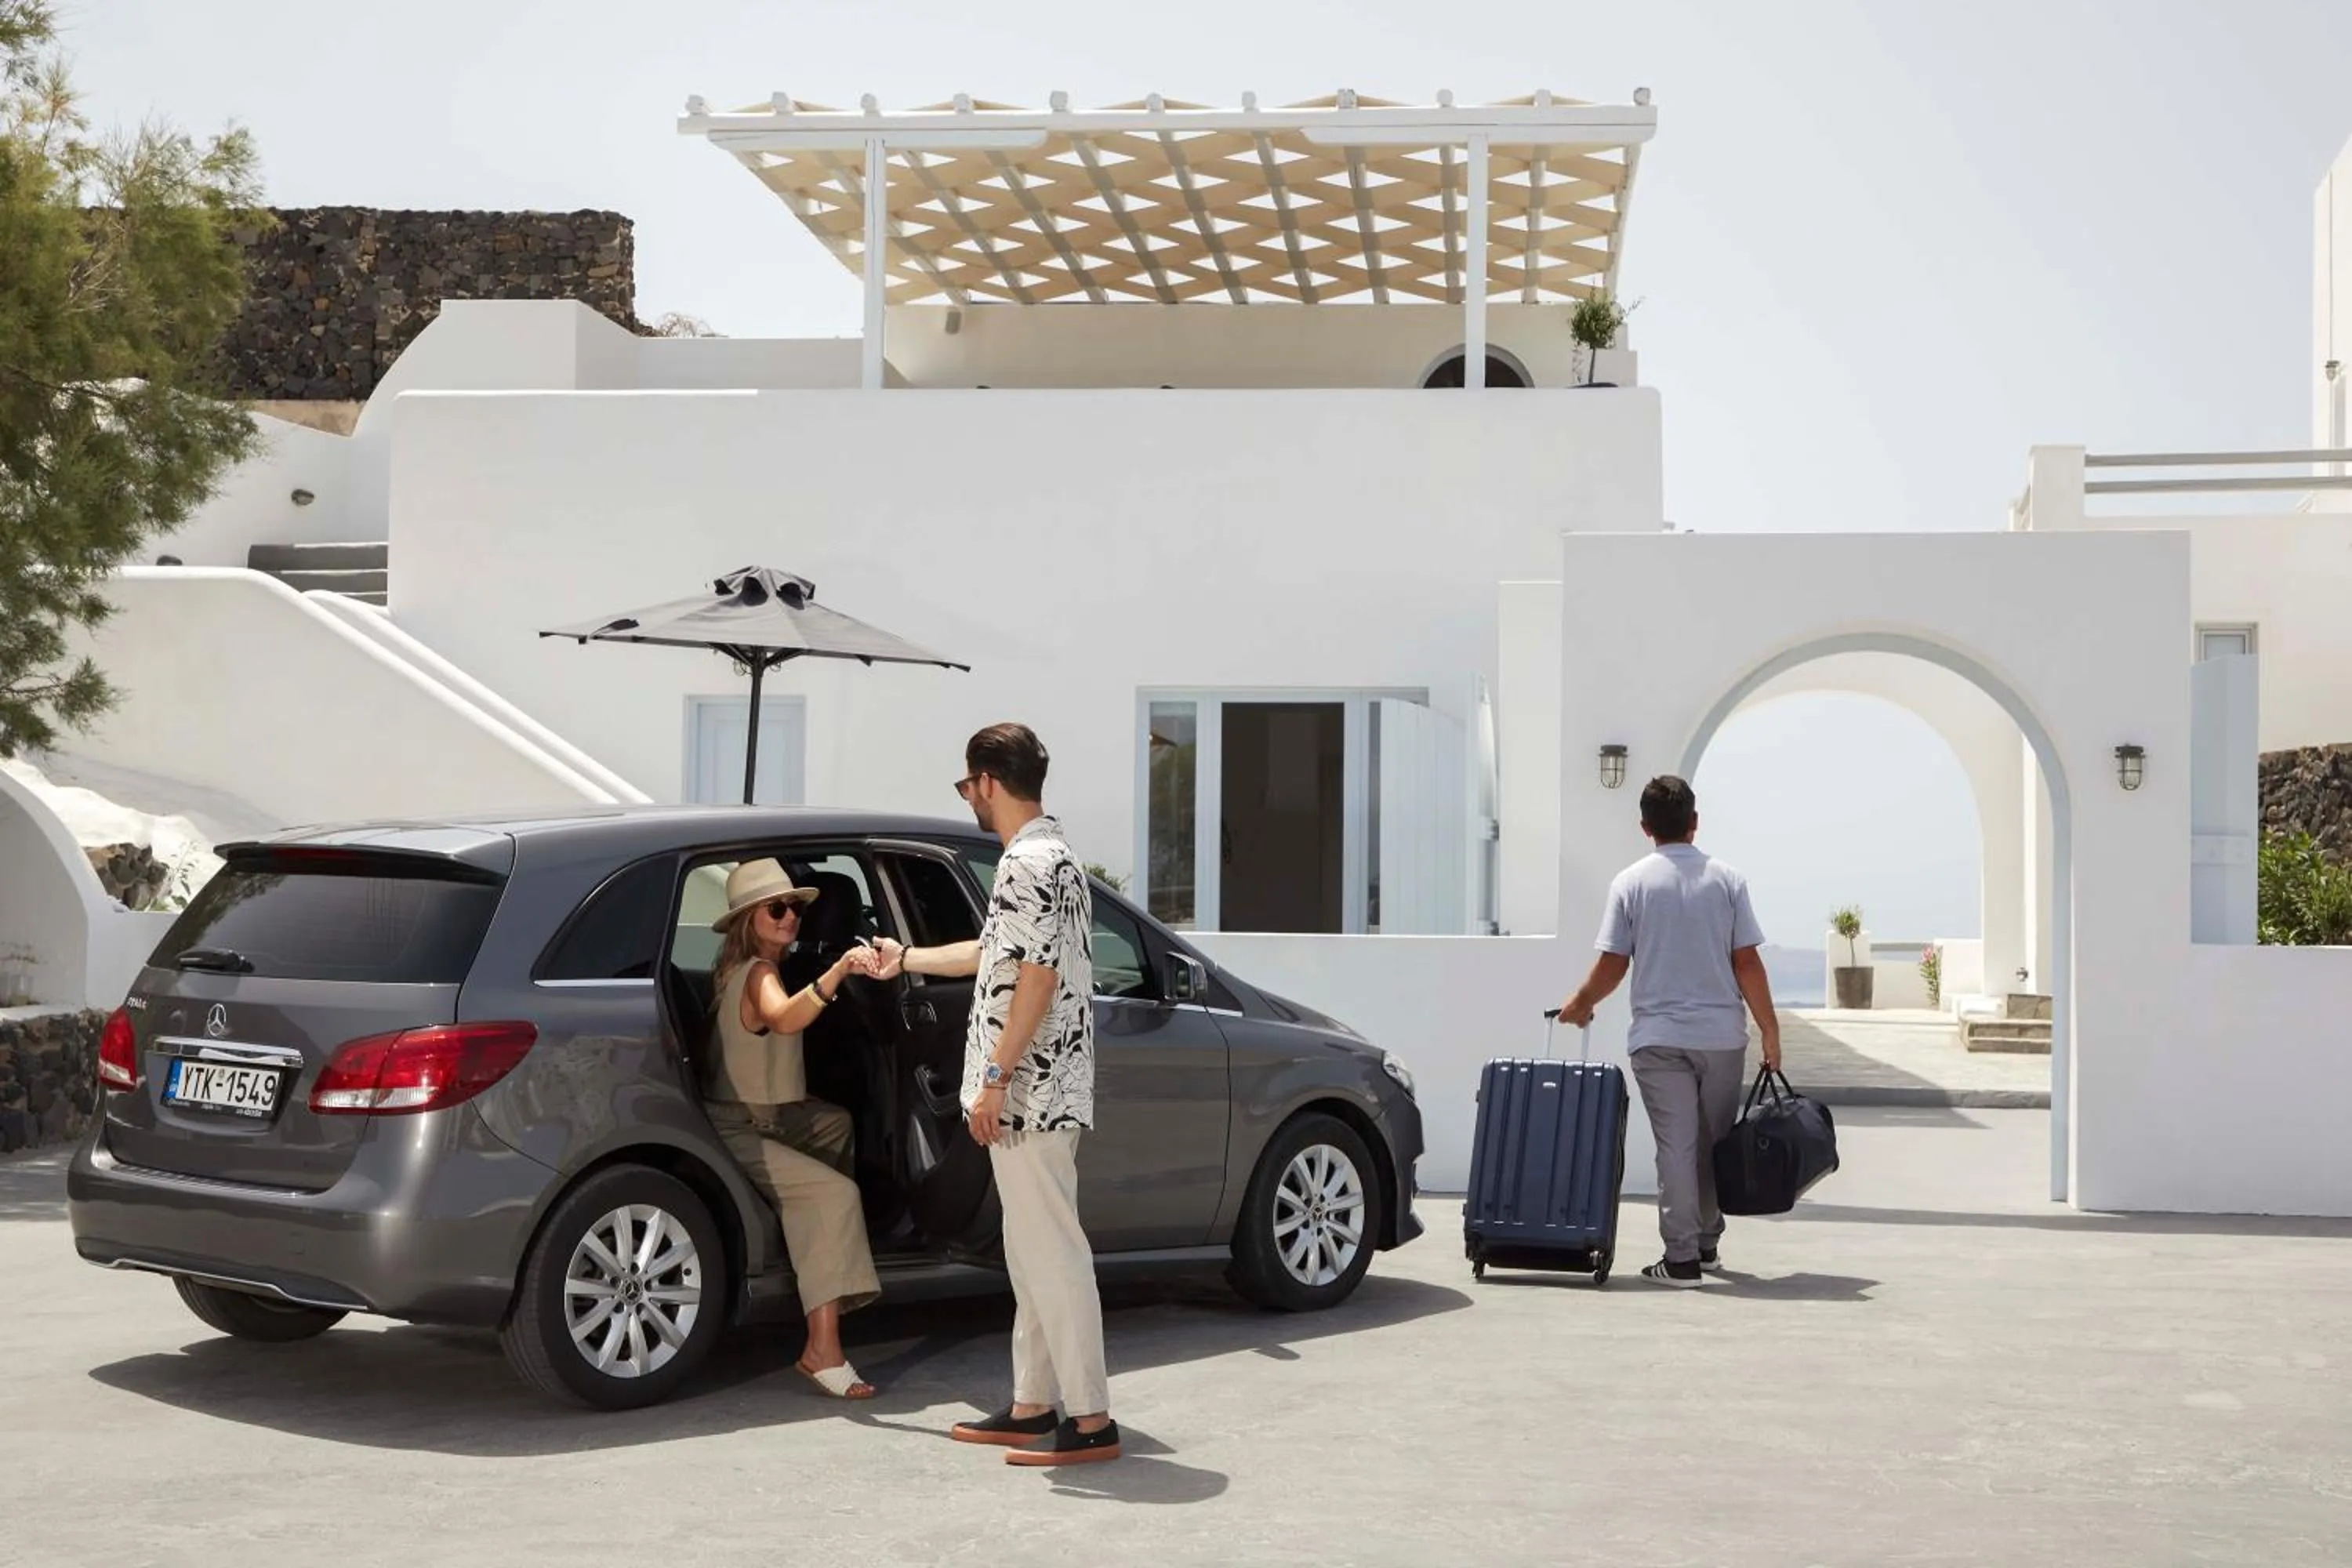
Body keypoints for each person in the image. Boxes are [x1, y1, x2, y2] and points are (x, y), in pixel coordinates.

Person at [869, 722, 1120, 1467]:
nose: (967, 799)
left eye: (966, 786)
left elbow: (1035, 980)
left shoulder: (1032, 862)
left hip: (1031, 1092)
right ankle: (1033, 1404)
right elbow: (997, 951)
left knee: (1054, 1253)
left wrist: (994, 1079)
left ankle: (1092, 1419)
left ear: (987, 781)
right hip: (1041, 1090)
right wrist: (904, 958)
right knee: (1032, 1250)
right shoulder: (1047, 856)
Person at [1554, 775, 1780, 1288]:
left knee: (1676, 1147)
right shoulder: (1728, 880)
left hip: (1658, 1039)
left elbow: (1614, 963)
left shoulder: (1632, 883)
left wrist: (1581, 1004)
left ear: (1645, 827)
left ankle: (1681, 1259)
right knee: (1713, 1144)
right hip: (1722, 1037)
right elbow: (1747, 963)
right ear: (1694, 823)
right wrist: (1770, 1031)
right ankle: (1705, 1245)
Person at [704, 858, 886, 1398]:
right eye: (776, 909)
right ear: (747, 920)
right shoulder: (760, 974)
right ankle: (821, 1350)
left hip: (771, 1116)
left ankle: (815, 1251)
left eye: (795, 909)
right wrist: (839, 973)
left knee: (834, 1123)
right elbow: (783, 1018)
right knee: (836, 1196)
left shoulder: (749, 966)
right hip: (742, 1128)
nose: (790, 918)